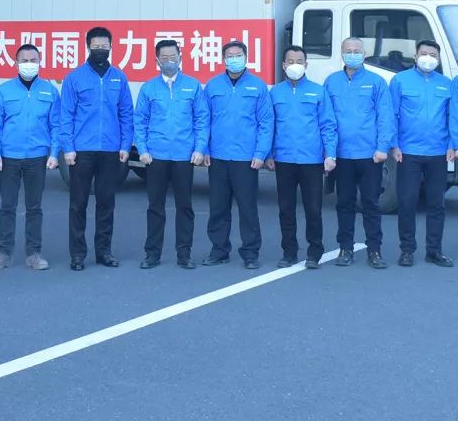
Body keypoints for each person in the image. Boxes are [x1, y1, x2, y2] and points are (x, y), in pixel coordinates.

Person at [60, 26, 133, 271]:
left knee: (106, 203)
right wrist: (68, 147)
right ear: (88, 46)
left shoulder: (119, 78)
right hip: (81, 150)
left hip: (110, 150)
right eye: (96, 46)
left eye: (104, 46)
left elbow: (126, 114)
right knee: (78, 204)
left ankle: (104, 252)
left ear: (111, 47)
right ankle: (77, 254)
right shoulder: (75, 78)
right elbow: (66, 115)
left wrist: (125, 145)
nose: (100, 49)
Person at [133, 40, 208, 270]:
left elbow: (202, 120)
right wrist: (142, 150)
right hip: (156, 156)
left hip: (184, 156)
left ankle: (184, 254)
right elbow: (140, 121)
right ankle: (152, 254)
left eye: (172, 57)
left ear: (180, 57)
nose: (169, 61)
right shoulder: (149, 88)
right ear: (157, 60)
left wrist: (199, 149)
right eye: (164, 58)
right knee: (155, 206)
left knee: (184, 206)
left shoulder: (192, 86)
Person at [0, 43, 60, 271]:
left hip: (37, 157)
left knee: (34, 207)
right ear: (16, 63)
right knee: (7, 206)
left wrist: (54, 153)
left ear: (40, 62)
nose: (29, 64)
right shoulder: (4, 90)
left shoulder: (49, 91)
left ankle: (34, 254)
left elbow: (56, 125)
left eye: (33, 60)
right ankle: (3, 254)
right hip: (9, 157)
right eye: (24, 61)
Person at [201, 41, 274, 269]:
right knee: (218, 207)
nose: (234, 59)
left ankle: (250, 253)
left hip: (246, 158)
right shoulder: (212, 86)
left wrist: (261, 153)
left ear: (246, 57)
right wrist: (204, 149)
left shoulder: (258, 86)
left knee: (247, 208)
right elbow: (204, 120)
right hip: (218, 156)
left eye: (238, 55)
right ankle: (219, 250)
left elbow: (266, 123)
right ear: (223, 59)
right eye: (230, 55)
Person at [324, 37, 394, 269]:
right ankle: (345, 248)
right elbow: (326, 119)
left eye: (356, 51)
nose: (352, 54)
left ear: (364, 55)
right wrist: (329, 152)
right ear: (341, 53)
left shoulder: (376, 82)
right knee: (344, 203)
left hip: (370, 155)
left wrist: (382, 148)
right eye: (348, 50)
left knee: (371, 204)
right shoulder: (331, 82)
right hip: (342, 155)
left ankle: (374, 250)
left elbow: (385, 116)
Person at [265, 46, 337, 269]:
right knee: (286, 209)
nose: (294, 65)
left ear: (306, 65)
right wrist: (268, 154)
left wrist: (330, 154)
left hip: (311, 160)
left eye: (299, 61)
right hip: (284, 159)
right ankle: (289, 252)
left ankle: (314, 252)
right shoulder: (275, 93)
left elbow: (328, 125)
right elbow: (269, 126)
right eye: (290, 61)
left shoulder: (318, 91)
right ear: (283, 65)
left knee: (313, 209)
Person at [391, 40, 452, 267]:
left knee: (437, 204)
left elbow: (452, 117)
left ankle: (434, 251)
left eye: (432, 55)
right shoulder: (400, 81)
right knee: (407, 202)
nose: (428, 58)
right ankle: (407, 249)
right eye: (424, 53)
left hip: (438, 153)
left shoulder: (446, 84)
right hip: (408, 152)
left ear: (438, 59)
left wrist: (452, 145)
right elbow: (391, 114)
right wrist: (394, 145)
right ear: (415, 57)